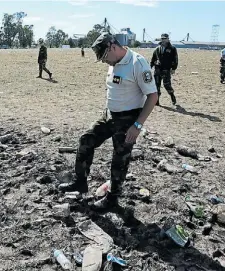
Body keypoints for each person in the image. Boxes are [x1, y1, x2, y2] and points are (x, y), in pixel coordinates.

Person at [58, 32, 158, 210]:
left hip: (128, 119)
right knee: (86, 140)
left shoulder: (137, 63)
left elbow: (152, 96)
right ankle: (80, 182)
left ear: (113, 47)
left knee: (120, 159)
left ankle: (112, 200)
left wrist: (138, 125)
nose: (104, 61)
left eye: (104, 57)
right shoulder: (114, 62)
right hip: (109, 115)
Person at [150, 33, 178, 106]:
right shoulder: (157, 49)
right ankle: (157, 100)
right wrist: (150, 67)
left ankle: (172, 95)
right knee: (156, 86)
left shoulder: (172, 48)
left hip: (166, 70)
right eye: (162, 38)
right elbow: (153, 59)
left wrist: (174, 68)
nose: (163, 40)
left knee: (167, 85)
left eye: (165, 38)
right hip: (157, 70)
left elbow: (175, 59)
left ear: (168, 39)